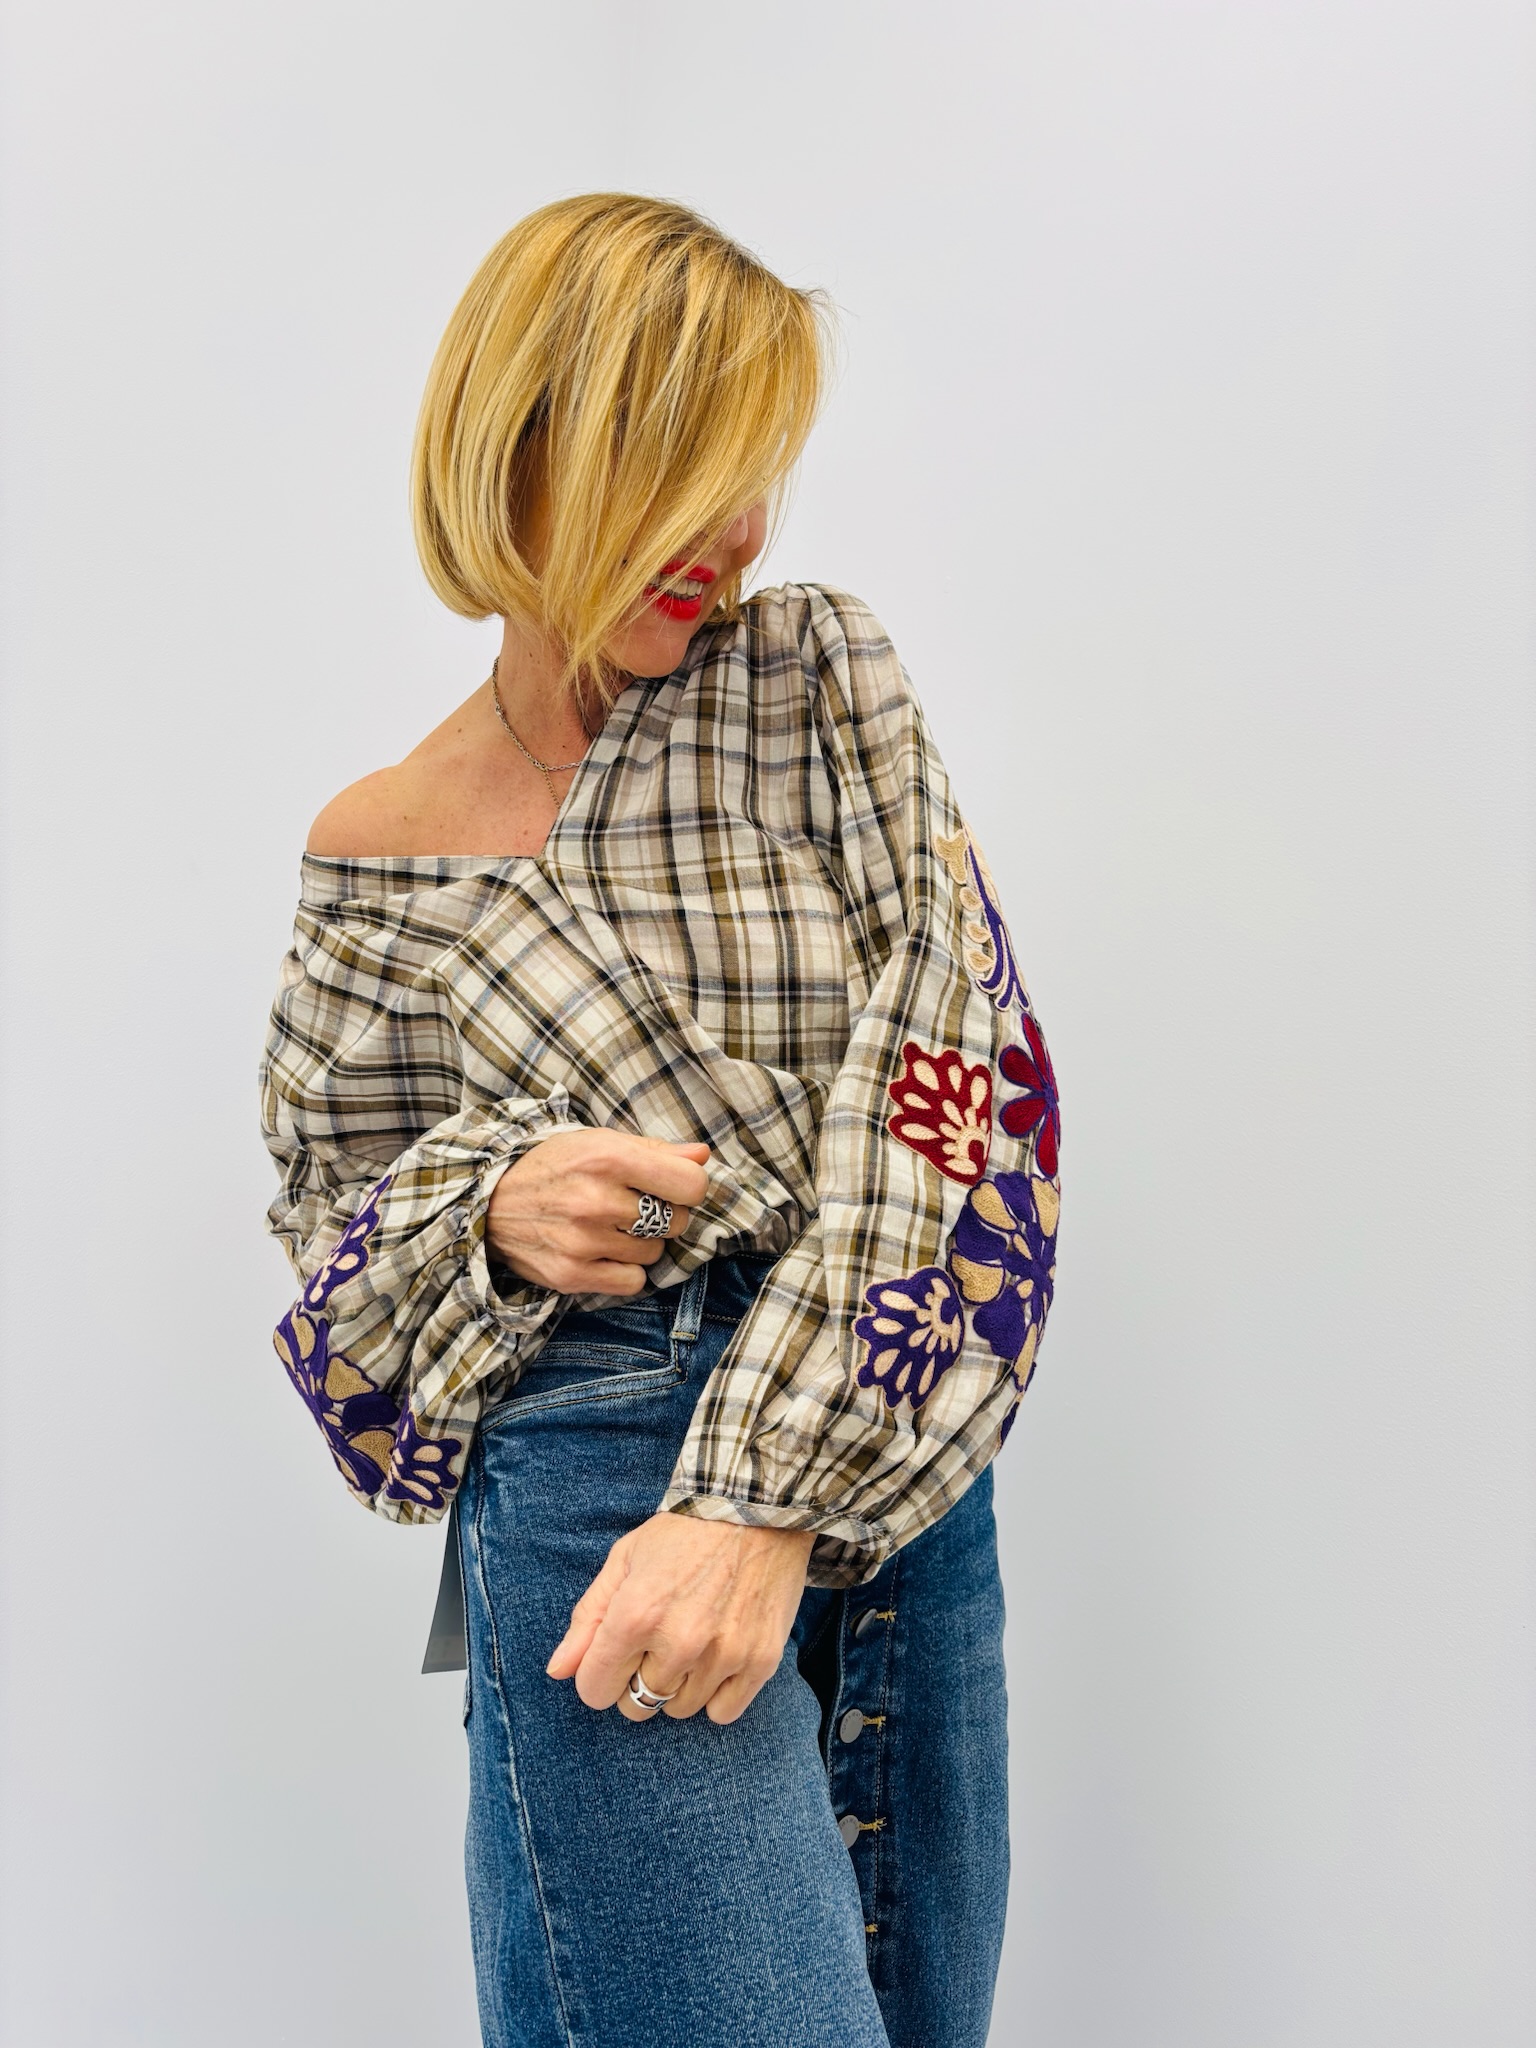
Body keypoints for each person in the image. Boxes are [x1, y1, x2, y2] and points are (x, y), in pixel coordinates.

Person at [258, 191, 1062, 2048]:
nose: (735, 533)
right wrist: (489, 1202)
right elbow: (335, 1300)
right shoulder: (374, 853)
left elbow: (969, 1075)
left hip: (902, 1455)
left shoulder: (813, 680)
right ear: (520, 446)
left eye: (755, 475)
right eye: (682, 466)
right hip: (597, 1468)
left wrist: (764, 1497)